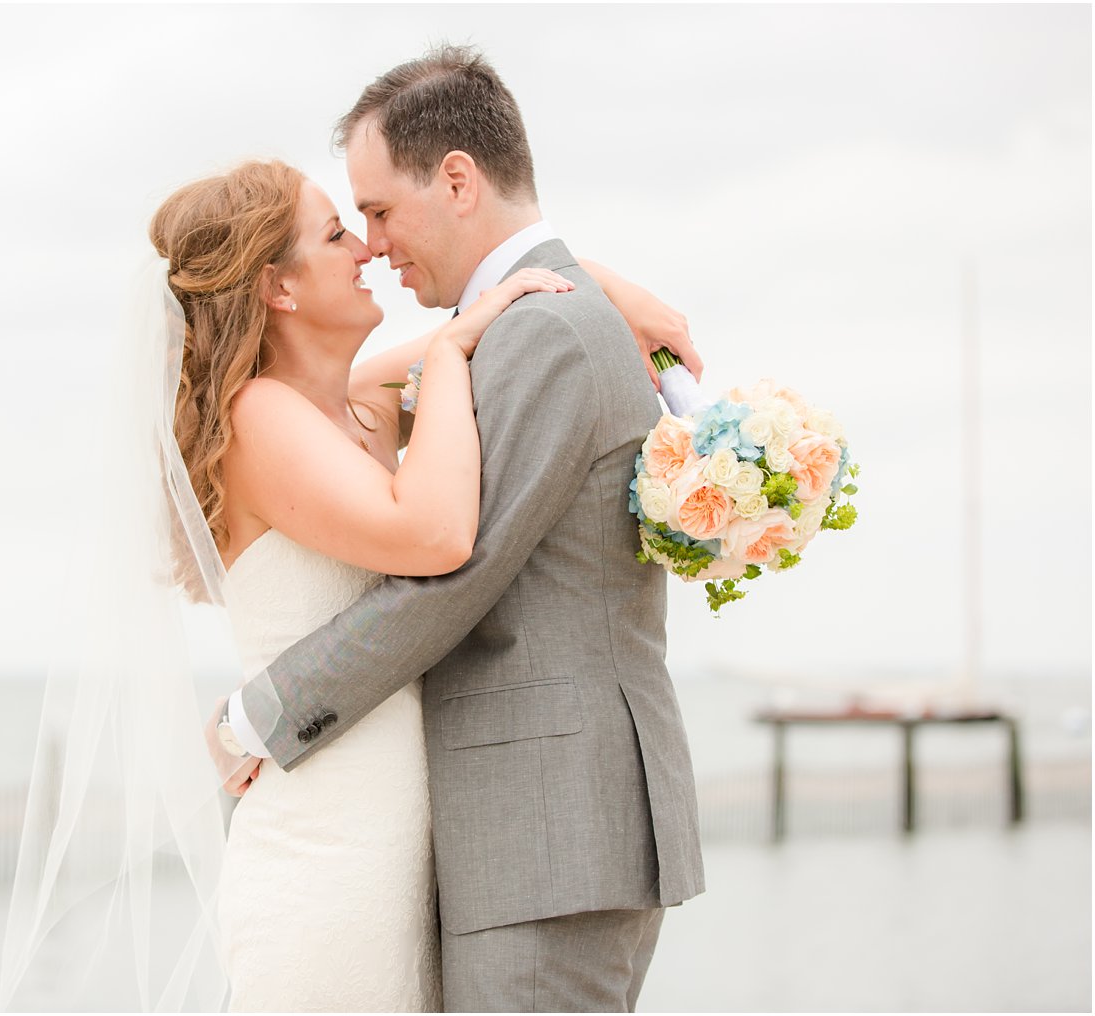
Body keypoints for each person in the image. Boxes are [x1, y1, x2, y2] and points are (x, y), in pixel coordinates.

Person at [207, 45, 706, 1012]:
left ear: (459, 180)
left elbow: (457, 571)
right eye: (349, 227)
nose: (374, 245)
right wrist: (597, 280)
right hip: (516, 835)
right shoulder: (517, 323)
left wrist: (255, 716)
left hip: (550, 834)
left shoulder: (543, 331)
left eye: (381, 211)